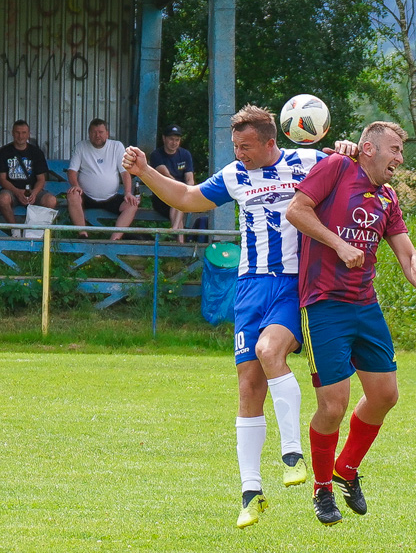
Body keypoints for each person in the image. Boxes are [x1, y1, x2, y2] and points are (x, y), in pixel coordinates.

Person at [121, 104, 356, 530]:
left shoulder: (307, 161)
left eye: (246, 147)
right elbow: (188, 199)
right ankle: (251, 493)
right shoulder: (234, 174)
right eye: (235, 146)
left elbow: (350, 167)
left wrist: (349, 147)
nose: (240, 153)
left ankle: (292, 453)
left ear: (272, 142)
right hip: (248, 288)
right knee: (248, 387)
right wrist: (144, 172)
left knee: (271, 351)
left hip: (290, 282)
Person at [286, 121, 416, 526]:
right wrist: (340, 245)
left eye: (402, 152)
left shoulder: (388, 197)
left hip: (364, 305)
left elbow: (408, 256)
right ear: (368, 149)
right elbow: (296, 210)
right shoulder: (337, 167)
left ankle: (347, 468)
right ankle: (322, 488)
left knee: (385, 396)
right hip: (323, 304)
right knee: (333, 405)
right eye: (394, 149)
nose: (400, 158)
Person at [67, 118, 137, 240]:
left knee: (132, 204)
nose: (97, 135)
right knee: (72, 195)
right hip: (86, 196)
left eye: (100, 132)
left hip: (111, 197)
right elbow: (72, 171)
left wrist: (127, 192)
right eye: (94, 132)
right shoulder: (81, 147)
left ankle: (114, 240)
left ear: (107, 134)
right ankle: (83, 235)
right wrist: (75, 185)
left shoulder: (117, 146)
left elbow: (125, 172)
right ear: (89, 133)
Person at [0, 120, 57, 237]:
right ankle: (15, 230)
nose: (20, 136)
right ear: (12, 133)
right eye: (17, 133)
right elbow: (2, 179)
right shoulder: (4, 152)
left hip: (33, 190)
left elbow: (41, 179)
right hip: (12, 190)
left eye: (23, 133)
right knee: (3, 199)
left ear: (28, 134)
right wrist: (17, 192)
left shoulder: (36, 152)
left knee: (51, 200)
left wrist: (34, 193)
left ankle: (33, 232)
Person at [149, 124, 194, 243]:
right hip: (161, 198)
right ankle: (179, 240)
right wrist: (183, 191)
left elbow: (190, 179)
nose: (174, 142)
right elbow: (166, 176)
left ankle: (176, 233)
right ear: (164, 138)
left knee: (179, 200)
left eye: (177, 140)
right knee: (178, 200)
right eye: (171, 139)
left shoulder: (185, 154)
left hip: (181, 196)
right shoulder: (156, 155)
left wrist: (190, 191)